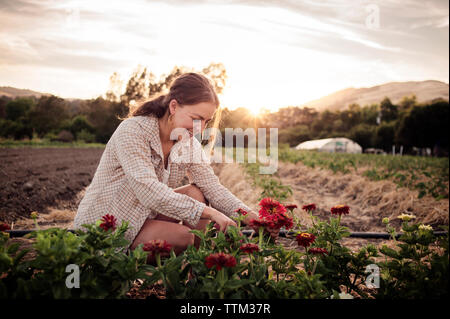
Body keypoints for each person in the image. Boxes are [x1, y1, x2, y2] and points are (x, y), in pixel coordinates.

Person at [73, 72, 260, 257]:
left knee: (196, 192)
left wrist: (252, 218)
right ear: (173, 106)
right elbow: (149, 191)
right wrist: (210, 213)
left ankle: (198, 272)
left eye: (206, 121)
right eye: (196, 119)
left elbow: (213, 187)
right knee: (185, 237)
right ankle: (121, 263)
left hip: (144, 216)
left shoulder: (187, 144)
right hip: (108, 224)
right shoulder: (133, 131)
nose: (200, 129)